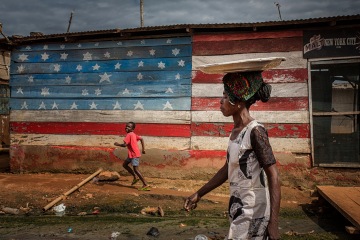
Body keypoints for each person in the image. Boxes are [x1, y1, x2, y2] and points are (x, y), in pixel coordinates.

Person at [184, 71, 281, 240]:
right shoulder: (236, 133)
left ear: (238, 102)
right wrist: (199, 194)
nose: (220, 101)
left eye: (225, 96)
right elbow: (227, 168)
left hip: (254, 211)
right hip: (238, 207)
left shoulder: (255, 131)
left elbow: (274, 176)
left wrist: (273, 223)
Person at [114, 121, 150, 191]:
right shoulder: (133, 134)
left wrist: (117, 144)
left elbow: (124, 145)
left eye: (129, 127)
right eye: (126, 126)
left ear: (132, 129)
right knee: (125, 165)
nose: (127, 128)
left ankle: (145, 184)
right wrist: (143, 149)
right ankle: (135, 177)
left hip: (134, 155)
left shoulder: (129, 135)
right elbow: (141, 139)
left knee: (136, 169)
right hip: (131, 155)